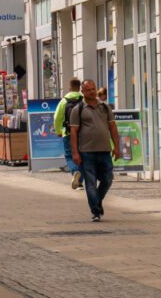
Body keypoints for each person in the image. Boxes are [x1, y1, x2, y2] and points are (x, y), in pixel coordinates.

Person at [70, 79, 121, 222]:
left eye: (93, 89)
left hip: (104, 150)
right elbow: (73, 131)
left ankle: (96, 201)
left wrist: (116, 146)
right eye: (88, 90)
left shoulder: (105, 107)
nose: (91, 92)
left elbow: (112, 127)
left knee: (108, 179)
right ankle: (96, 211)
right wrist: (75, 152)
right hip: (86, 151)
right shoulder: (78, 109)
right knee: (90, 182)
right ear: (82, 92)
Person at [54, 78, 85, 189]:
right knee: (81, 155)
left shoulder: (64, 101)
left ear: (70, 87)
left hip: (67, 132)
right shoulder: (83, 100)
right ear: (80, 88)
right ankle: (80, 182)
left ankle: (75, 171)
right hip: (82, 133)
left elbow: (57, 117)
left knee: (69, 155)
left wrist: (58, 131)